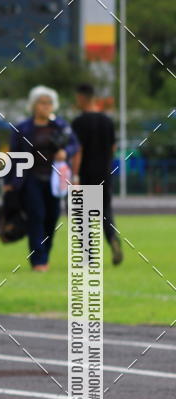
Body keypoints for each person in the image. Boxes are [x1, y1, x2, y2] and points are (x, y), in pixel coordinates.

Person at [8, 86, 80, 271]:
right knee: (36, 216)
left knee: (52, 217)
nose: (45, 106)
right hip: (30, 178)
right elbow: (13, 155)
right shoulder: (23, 128)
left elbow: (74, 145)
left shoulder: (61, 126)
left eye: (49, 103)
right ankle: (38, 261)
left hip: (56, 179)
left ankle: (45, 253)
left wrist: (66, 152)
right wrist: (9, 182)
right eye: (42, 102)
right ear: (33, 105)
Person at [71, 83, 123, 265]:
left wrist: (75, 175)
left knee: (82, 212)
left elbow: (78, 150)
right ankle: (113, 240)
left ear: (81, 98)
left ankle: (89, 255)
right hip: (104, 171)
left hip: (85, 172)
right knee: (105, 210)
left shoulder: (79, 123)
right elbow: (113, 147)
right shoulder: (107, 121)